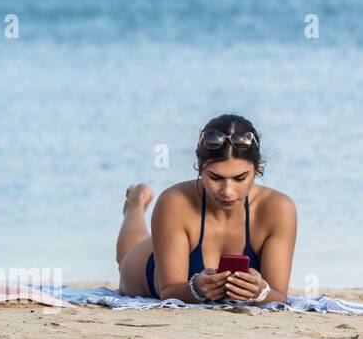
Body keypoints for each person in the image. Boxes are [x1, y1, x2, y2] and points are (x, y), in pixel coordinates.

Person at [114, 114, 296, 305]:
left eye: (240, 178)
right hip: (145, 273)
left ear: (257, 168)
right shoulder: (175, 202)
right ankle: (136, 202)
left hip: (174, 241)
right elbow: (168, 292)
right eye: (215, 177)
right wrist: (196, 289)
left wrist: (261, 292)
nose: (227, 191)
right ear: (200, 167)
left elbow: (278, 296)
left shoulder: (278, 209)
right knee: (127, 253)